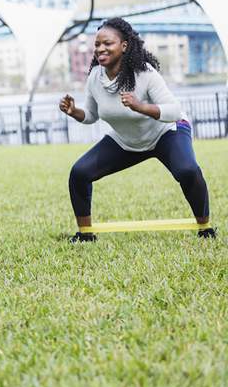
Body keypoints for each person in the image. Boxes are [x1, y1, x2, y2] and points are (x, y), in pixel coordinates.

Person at [59, 17, 214, 242]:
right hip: (127, 141)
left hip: (166, 133)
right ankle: (85, 235)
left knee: (188, 171)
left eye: (108, 43)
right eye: (97, 44)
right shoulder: (94, 78)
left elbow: (173, 110)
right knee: (80, 173)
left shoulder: (145, 73)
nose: (101, 49)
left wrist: (140, 106)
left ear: (124, 46)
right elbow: (91, 116)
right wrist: (74, 111)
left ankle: (205, 228)